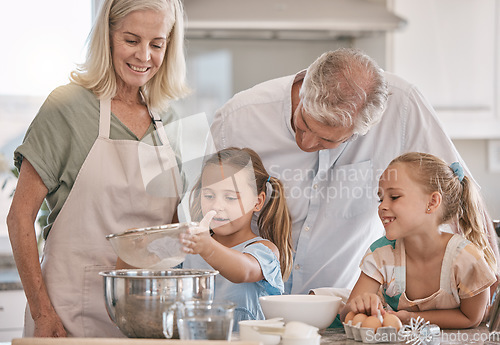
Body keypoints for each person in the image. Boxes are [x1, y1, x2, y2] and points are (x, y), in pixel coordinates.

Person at [208, 48, 499, 295]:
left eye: (328, 140)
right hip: (250, 313)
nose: (306, 143)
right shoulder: (238, 119)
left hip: (342, 310)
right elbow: (197, 212)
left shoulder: (403, 108)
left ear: (365, 128)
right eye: (302, 124)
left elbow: (457, 192)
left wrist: (488, 283)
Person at [7, 0, 189, 338]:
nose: (144, 56)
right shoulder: (67, 107)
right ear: (107, 36)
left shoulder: (172, 122)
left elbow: (183, 225)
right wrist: (43, 313)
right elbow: (19, 217)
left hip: (148, 321)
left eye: (157, 44)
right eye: (131, 41)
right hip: (69, 315)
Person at [340, 152, 497, 328]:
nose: (382, 206)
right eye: (381, 198)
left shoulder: (465, 258)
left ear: (432, 202)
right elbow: (346, 313)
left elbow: (470, 318)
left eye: (394, 197)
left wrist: (409, 318)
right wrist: (358, 304)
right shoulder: (381, 254)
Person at [180, 147, 293, 326]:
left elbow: (244, 270)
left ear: (258, 202)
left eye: (231, 198)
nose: (216, 206)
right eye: (209, 195)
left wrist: (207, 247)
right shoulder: (191, 250)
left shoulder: (263, 250)